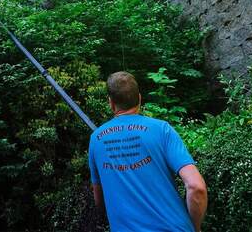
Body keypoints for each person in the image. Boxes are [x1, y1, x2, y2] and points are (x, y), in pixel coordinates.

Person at [88, 71, 207, 232]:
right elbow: (196, 187)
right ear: (139, 98)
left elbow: (99, 200)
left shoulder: (96, 139)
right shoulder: (162, 130)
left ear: (111, 103)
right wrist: (196, 228)